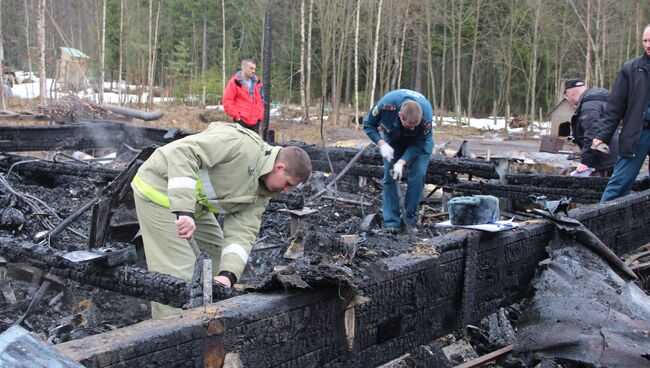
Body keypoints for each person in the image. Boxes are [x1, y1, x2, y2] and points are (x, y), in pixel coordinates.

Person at [131, 122, 311, 317]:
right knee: (178, 278)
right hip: (158, 192)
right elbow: (182, 153)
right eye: (288, 184)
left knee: (217, 260)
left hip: (194, 207)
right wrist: (184, 211)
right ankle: (171, 331)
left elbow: (242, 233)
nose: (286, 191)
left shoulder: (262, 193)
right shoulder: (239, 144)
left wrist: (228, 275)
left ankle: (210, 322)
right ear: (280, 167)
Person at [592, 25, 650, 202]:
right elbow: (615, 106)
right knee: (619, 183)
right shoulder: (631, 69)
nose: (648, 45)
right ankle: (600, 222)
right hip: (638, 133)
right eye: (645, 41)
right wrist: (602, 135)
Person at [363, 89, 434, 233]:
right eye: (410, 125)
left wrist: (401, 162)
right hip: (393, 138)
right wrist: (381, 144)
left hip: (419, 142)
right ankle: (391, 223)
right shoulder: (386, 105)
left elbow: (419, 144)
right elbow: (369, 125)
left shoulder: (426, 114)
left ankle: (408, 221)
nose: (413, 128)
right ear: (400, 116)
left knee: (418, 175)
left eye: (416, 125)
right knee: (390, 176)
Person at [564, 77, 619, 177]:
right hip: (613, 154)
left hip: (603, 159)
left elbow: (593, 134)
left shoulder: (589, 107)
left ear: (570, 93)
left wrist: (585, 161)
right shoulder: (600, 101)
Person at [223, 59, 264, 134]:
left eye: (254, 68)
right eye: (251, 68)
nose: (253, 71)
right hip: (241, 121)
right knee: (241, 144)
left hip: (255, 122)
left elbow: (261, 100)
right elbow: (227, 102)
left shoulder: (258, 83)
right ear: (243, 67)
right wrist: (237, 117)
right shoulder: (234, 82)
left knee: (253, 145)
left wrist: (259, 117)